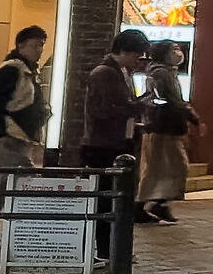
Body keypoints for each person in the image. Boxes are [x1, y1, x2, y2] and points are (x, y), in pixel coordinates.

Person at [0, 26, 51, 249]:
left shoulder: (26, 70)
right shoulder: (12, 69)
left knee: (6, 183)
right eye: (35, 45)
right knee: (20, 179)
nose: (39, 51)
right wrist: (2, 131)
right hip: (8, 136)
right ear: (21, 45)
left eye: (42, 46)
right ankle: (2, 233)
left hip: (15, 136)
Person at [136, 40, 197, 226]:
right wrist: (190, 115)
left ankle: (158, 202)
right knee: (160, 168)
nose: (179, 53)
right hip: (161, 127)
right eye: (174, 49)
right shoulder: (161, 73)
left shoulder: (167, 72)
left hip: (166, 127)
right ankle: (143, 205)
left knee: (172, 166)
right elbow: (168, 100)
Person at [79, 30, 149, 170]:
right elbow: (103, 110)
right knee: (108, 186)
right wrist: (139, 106)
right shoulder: (104, 73)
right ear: (124, 51)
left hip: (118, 140)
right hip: (102, 144)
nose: (139, 60)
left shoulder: (124, 72)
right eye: (137, 55)